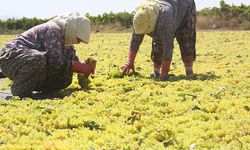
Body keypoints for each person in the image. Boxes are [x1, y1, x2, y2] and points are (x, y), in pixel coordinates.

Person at [0, 12, 96, 98]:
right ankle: (20, 90)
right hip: (11, 57)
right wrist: (79, 67)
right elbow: (54, 59)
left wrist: (84, 65)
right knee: (37, 58)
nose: (78, 42)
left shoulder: (67, 40)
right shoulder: (53, 29)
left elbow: (70, 60)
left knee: (66, 76)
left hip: (26, 62)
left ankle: (32, 86)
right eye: (78, 38)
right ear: (73, 30)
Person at [121, 0, 196, 80]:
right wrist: (130, 62)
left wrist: (164, 72)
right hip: (166, 9)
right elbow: (135, 41)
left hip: (185, 8)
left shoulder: (165, 18)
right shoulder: (140, 16)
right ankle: (156, 72)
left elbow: (168, 47)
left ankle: (189, 71)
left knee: (186, 39)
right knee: (158, 42)